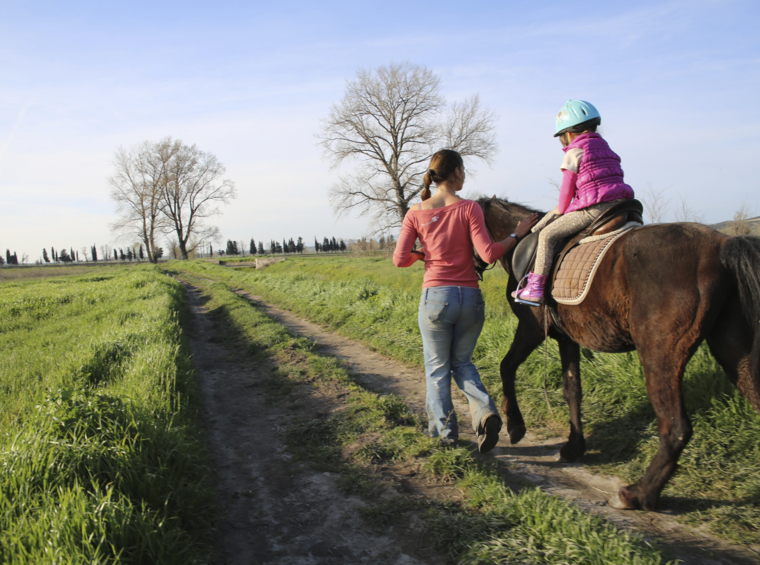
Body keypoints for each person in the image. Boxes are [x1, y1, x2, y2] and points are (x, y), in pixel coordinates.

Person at [393, 149, 538, 452]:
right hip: (471, 299)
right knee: (462, 362)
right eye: (463, 170)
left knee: (437, 369)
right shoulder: (470, 208)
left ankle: (445, 440)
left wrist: (424, 255)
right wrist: (515, 234)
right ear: (456, 172)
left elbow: (399, 259)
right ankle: (484, 414)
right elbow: (487, 254)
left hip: (436, 298)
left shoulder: (415, 213)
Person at [513, 100, 635, 306]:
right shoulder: (605, 147)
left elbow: (564, 200)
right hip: (622, 205)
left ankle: (534, 287)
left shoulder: (574, 152)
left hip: (594, 209)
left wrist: (541, 225)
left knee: (547, 236)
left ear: (568, 134)